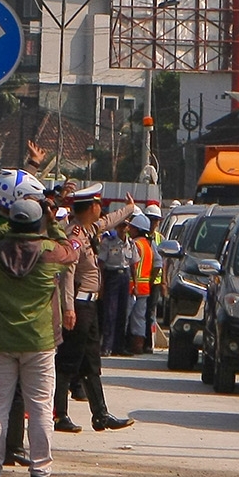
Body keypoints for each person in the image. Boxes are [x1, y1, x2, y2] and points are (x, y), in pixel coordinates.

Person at [0, 196, 78, 477]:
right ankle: (40, 471)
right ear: (37, 222)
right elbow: (71, 251)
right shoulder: (50, 253)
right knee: (41, 406)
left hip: (0, 341)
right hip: (40, 342)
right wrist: (52, 221)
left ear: (13, 221)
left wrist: (7, 227)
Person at [54, 184, 136, 433]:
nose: (101, 209)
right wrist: (68, 308)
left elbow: (110, 221)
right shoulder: (75, 236)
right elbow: (67, 274)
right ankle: (59, 415)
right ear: (90, 207)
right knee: (68, 362)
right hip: (78, 304)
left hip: (89, 304)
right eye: (98, 204)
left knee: (91, 361)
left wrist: (130, 209)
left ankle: (100, 414)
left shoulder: (89, 229)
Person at [97, 210, 136, 357]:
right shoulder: (108, 242)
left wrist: (135, 284)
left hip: (124, 277)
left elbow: (133, 265)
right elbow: (101, 263)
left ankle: (119, 346)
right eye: (120, 225)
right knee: (110, 312)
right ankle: (107, 346)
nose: (122, 228)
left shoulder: (130, 244)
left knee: (122, 313)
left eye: (125, 225)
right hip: (111, 275)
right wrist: (101, 284)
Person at [125, 212, 155, 354]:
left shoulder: (135, 244)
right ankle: (138, 345)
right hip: (145, 288)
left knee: (126, 316)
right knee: (139, 318)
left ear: (137, 229)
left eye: (131, 228)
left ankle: (125, 344)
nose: (129, 230)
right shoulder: (148, 246)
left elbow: (131, 265)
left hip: (133, 287)